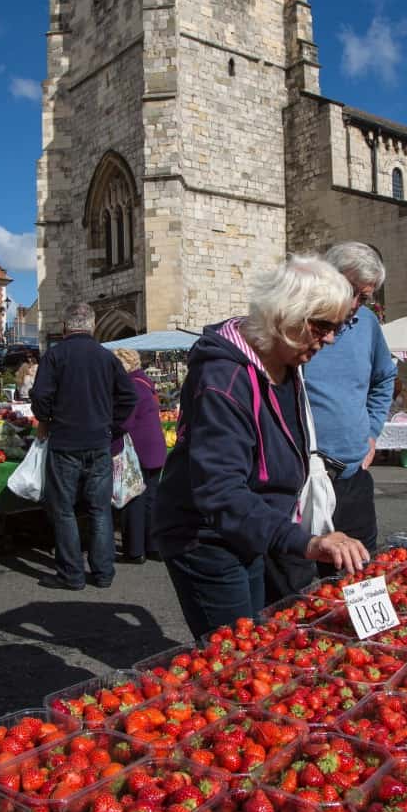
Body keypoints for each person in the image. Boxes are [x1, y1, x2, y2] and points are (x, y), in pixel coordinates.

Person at [153, 255, 370, 640]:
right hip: (205, 537)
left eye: (339, 326)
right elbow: (220, 492)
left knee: (256, 639)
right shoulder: (224, 378)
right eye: (322, 326)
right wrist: (307, 542)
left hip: (252, 528)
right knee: (234, 656)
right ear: (285, 315)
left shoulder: (286, 362)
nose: (331, 338)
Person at [30, 302, 137, 591]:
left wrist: (47, 417)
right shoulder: (106, 358)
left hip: (66, 441)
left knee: (64, 509)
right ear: (92, 326)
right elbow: (129, 397)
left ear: (65, 327)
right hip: (98, 441)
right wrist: (110, 425)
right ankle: (103, 573)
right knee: (100, 509)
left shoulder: (55, 355)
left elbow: (40, 395)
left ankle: (72, 574)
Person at [303, 243, 397, 560]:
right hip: (302, 485)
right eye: (349, 290)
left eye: (364, 297)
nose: (354, 303)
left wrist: (371, 432)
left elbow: (385, 378)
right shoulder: (296, 321)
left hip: (353, 480)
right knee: (300, 595)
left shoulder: (367, 324)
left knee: (360, 581)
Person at [112, 348, 168, 563]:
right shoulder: (145, 382)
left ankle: (135, 551)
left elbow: (125, 420)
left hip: (138, 450)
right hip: (154, 448)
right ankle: (154, 546)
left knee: (134, 498)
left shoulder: (130, 386)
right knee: (151, 498)